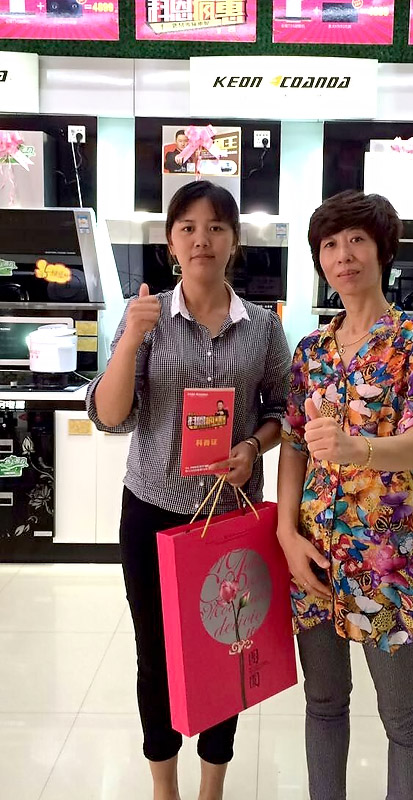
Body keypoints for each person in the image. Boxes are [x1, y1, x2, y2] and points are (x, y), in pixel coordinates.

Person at [86, 180, 290, 800]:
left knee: (227, 648)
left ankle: (212, 785)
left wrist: (251, 447)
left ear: (234, 241)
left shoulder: (262, 327)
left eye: (216, 227)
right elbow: (109, 416)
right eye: (188, 228)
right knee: (155, 654)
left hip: (229, 516)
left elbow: (282, 411)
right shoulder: (145, 318)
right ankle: (164, 785)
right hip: (152, 513)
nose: (202, 239)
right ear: (171, 242)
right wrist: (130, 337)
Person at [277, 190, 413, 800]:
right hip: (314, 554)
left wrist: (357, 449)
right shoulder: (311, 351)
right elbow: (293, 445)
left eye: (356, 240)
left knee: (403, 716)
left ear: (382, 251)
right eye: (330, 244)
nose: (343, 255)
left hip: (389, 560)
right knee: (324, 704)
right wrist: (286, 534)